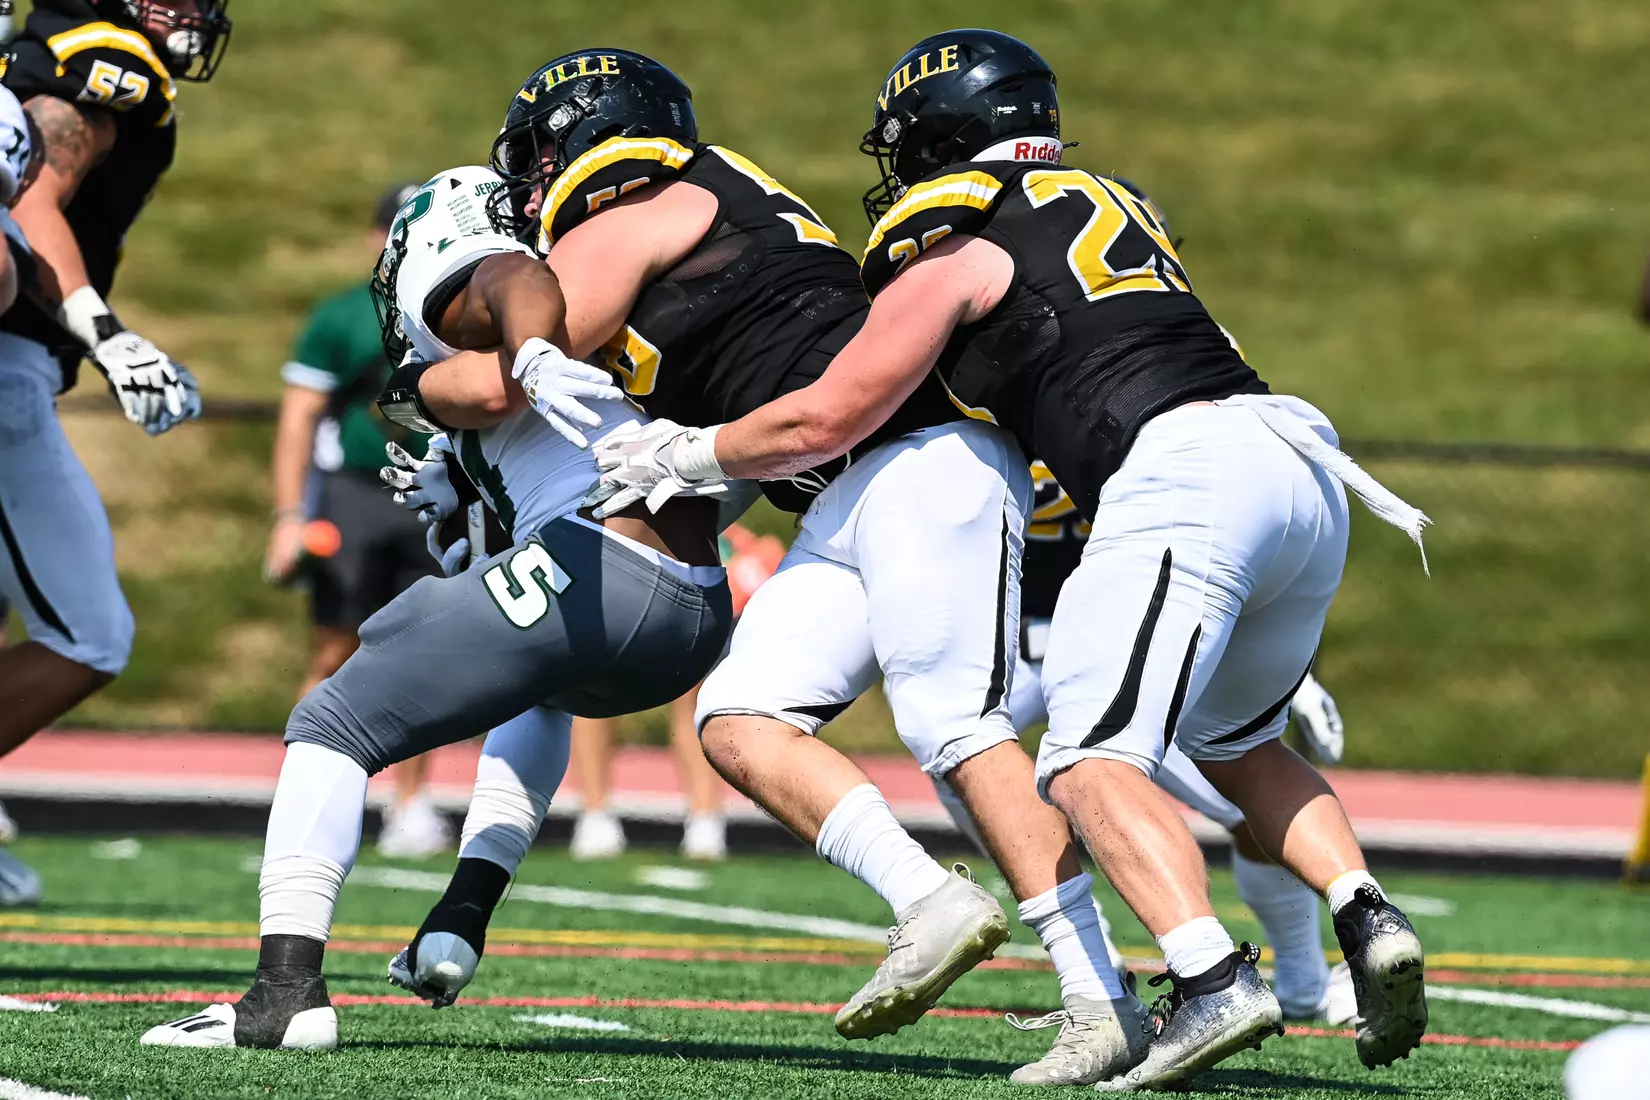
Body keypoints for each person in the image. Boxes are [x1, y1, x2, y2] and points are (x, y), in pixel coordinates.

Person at [593, 29, 1431, 1089]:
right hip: (1299, 457)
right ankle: (1366, 911)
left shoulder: (963, 237)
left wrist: (686, 451)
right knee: (1236, 739)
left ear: (940, 138)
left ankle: (1211, 977)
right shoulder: (1109, 200)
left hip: (1181, 468)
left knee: (1083, 761)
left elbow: (830, 414)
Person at [140, 163, 733, 1050]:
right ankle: (462, 914)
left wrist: (525, 357)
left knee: (331, 722)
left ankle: (283, 996)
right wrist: (466, 491)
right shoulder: (606, 314)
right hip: (693, 609)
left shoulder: (494, 288)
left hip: (603, 568)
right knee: (540, 691)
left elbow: (508, 282)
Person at [933, 457, 1356, 1035]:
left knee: (1239, 799)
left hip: (1126, 643)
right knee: (958, 758)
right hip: (1012, 642)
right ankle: (1092, 954)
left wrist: (1273, 668)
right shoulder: (986, 415)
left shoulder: (1148, 423)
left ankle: (1304, 976)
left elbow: (1218, 543)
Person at [0, 0, 229, 761]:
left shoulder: (43, 48)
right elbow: (27, 197)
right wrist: (107, 335)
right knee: (89, 635)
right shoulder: (109, 62)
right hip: (9, 364)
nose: (199, 10)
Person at [263, 182, 453, 860]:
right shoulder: (342, 315)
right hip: (354, 494)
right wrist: (290, 514)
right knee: (333, 647)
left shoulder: (459, 311)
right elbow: (298, 420)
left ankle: (410, 803)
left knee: (426, 653)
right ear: (377, 237)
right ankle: (304, 796)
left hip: (434, 492)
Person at [569, 523, 780, 863]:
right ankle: (595, 816)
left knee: (693, 693)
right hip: (618, 562)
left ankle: (705, 821)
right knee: (594, 685)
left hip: (680, 564)